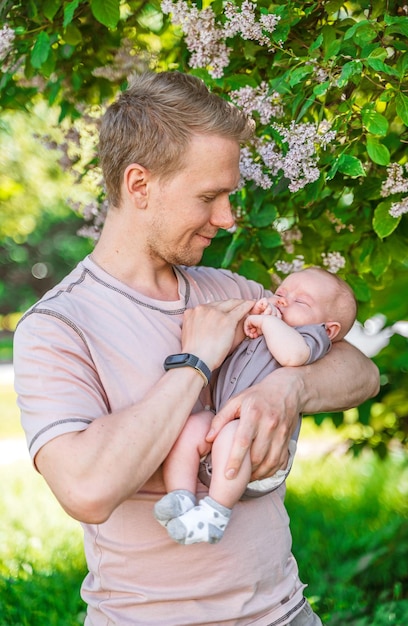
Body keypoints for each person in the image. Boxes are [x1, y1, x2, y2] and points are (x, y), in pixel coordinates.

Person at [13, 71, 379, 626]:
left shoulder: (231, 291)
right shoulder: (58, 326)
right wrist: (194, 362)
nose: (228, 218)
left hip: (285, 613)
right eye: (209, 197)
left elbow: (359, 369)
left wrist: (288, 387)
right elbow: (86, 489)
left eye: (229, 196)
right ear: (139, 185)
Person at [154, 267, 357, 544]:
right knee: (190, 427)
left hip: (261, 449)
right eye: (282, 293)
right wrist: (246, 324)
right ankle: (180, 497)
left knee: (231, 434)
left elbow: (293, 355)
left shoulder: (312, 336)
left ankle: (215, 514)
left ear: (330, 328)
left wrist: (267, 323)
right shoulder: (265, 327)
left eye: (300, 302)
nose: (284, 300)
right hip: (221, 419)